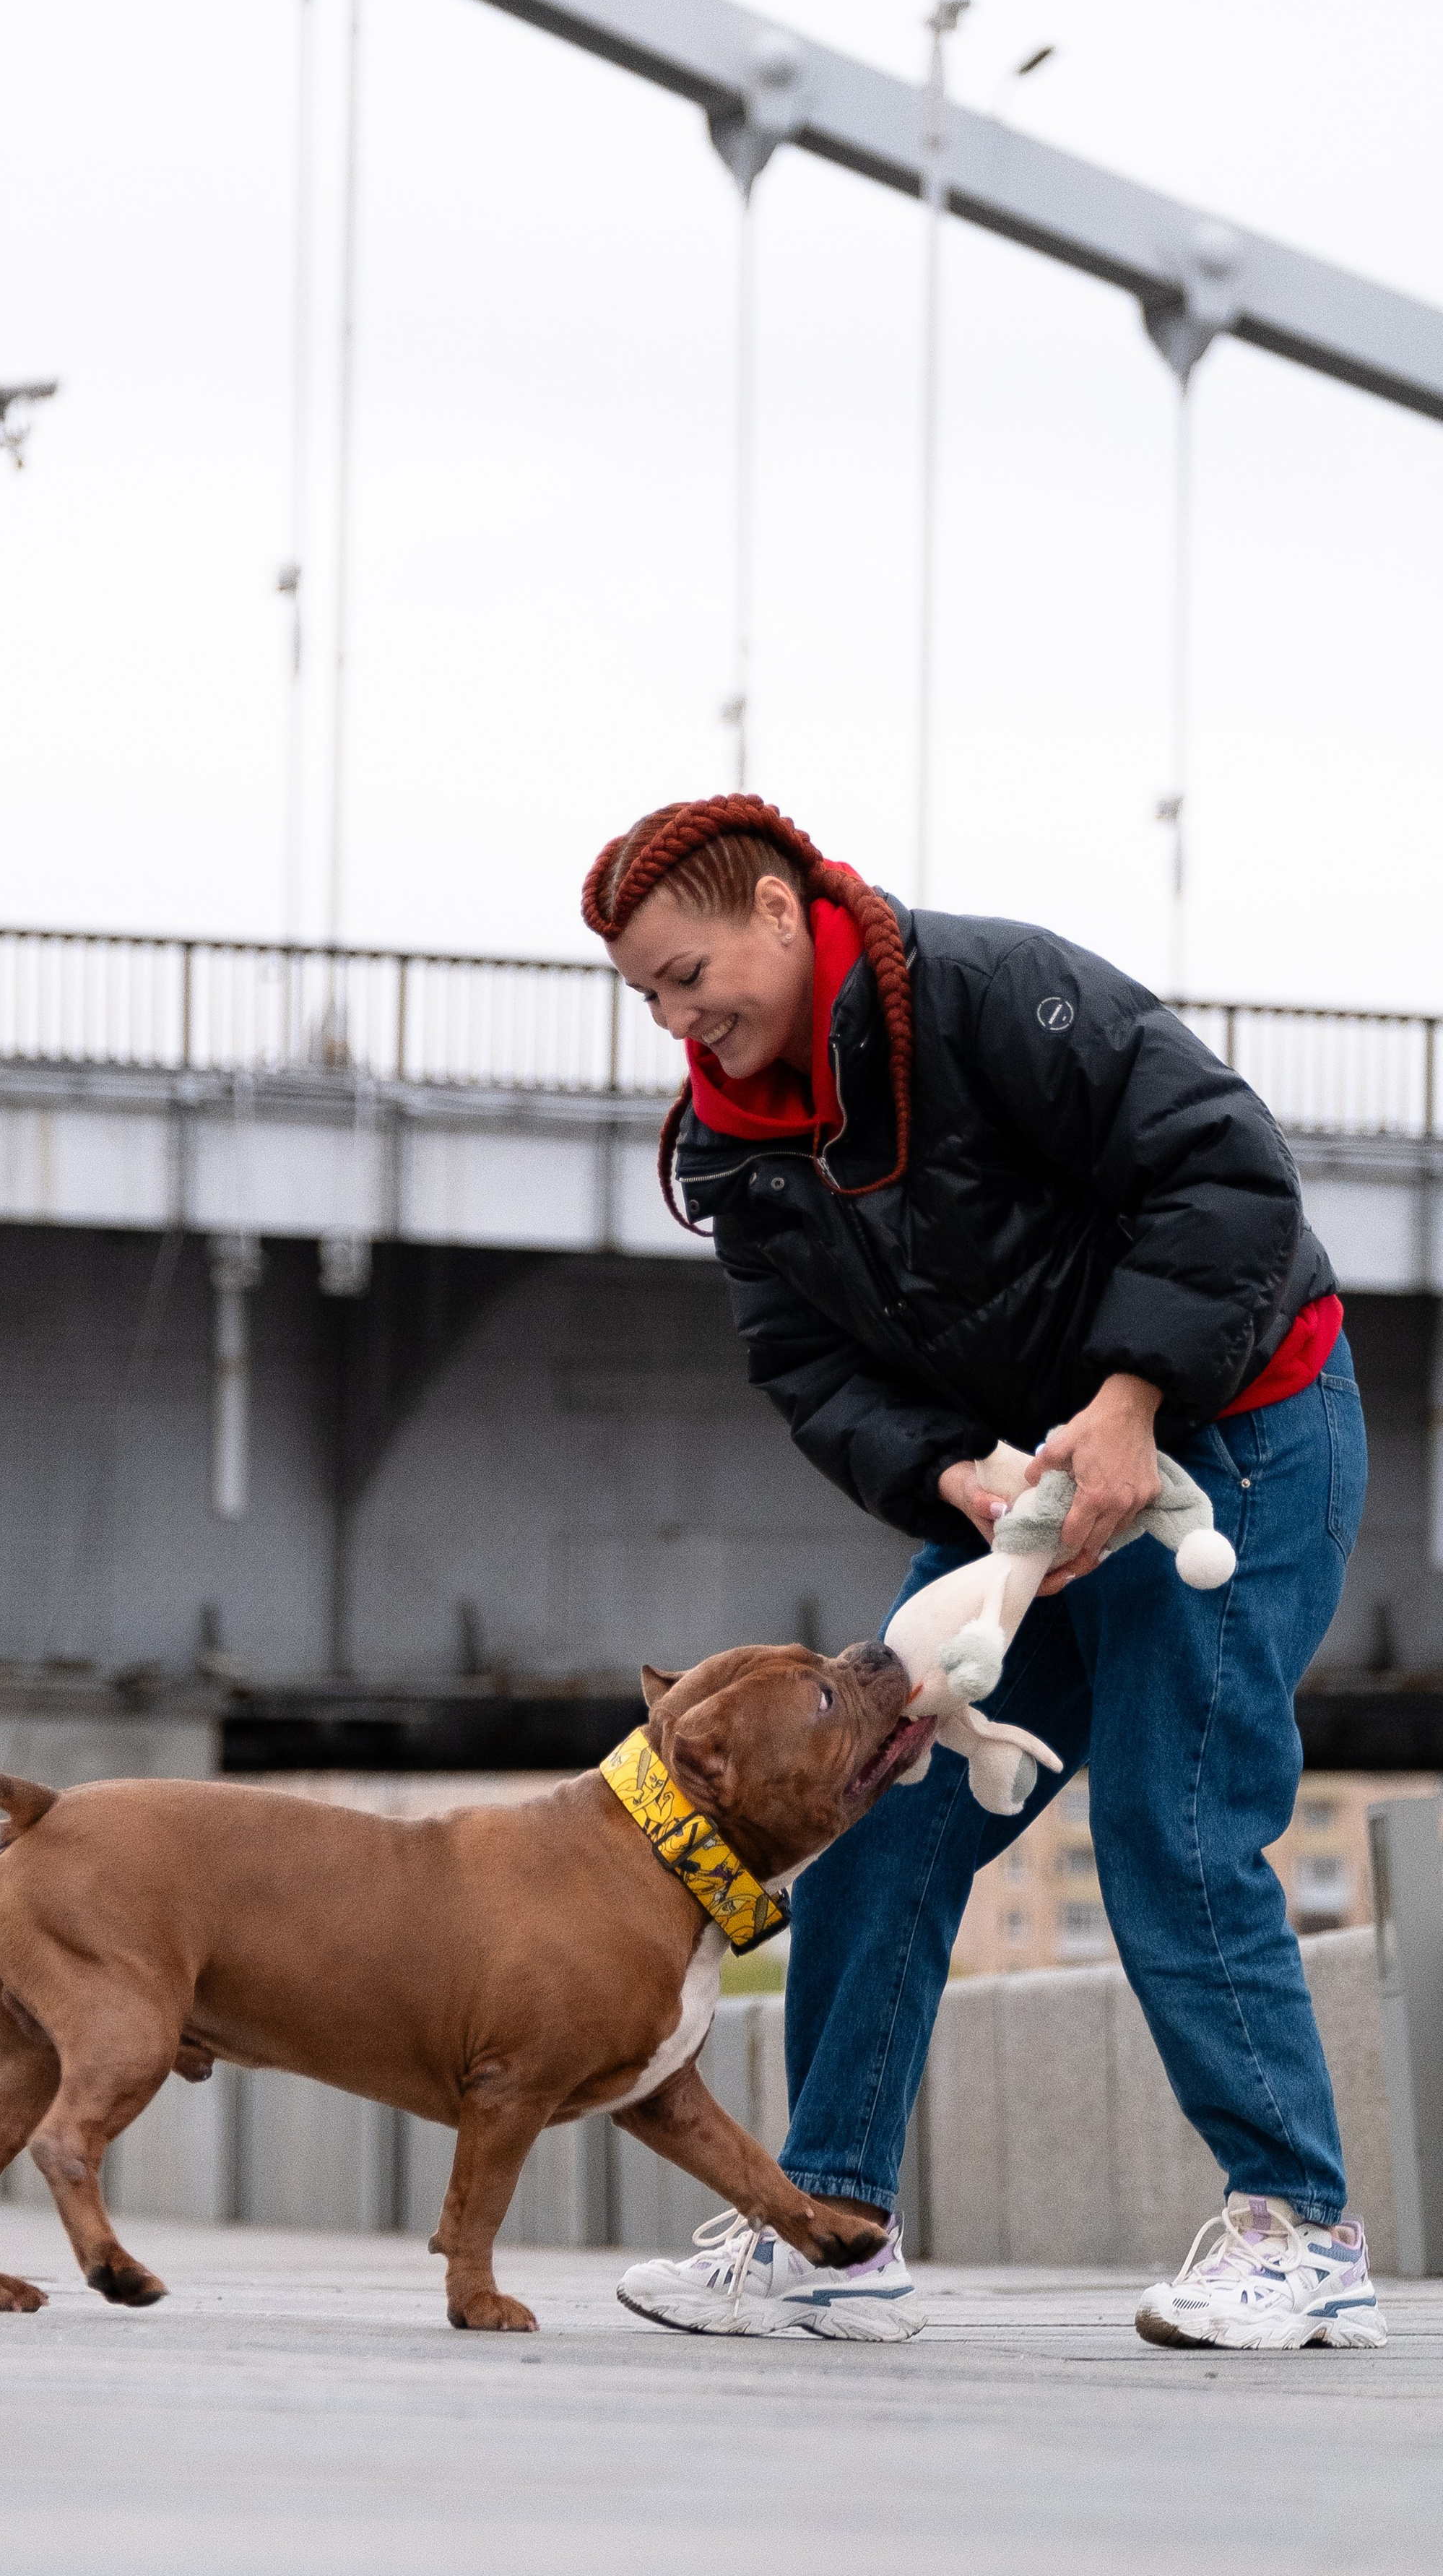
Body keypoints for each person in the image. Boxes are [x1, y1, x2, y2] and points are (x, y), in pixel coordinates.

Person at [581, 793, 1384, 2353]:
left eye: (690, 975)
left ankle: (1301, 2232)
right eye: (647, 998)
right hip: (1017, 1499)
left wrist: (1131, 1399)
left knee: (1173, 1814)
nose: (678, 1018)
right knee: (866, 1808)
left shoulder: (990, 997)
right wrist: (950, 1471)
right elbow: (808, 1369)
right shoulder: (734, 1155)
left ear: (773, 910)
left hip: (1239, 1427)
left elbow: (1225, 1174)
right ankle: (829, 2227)